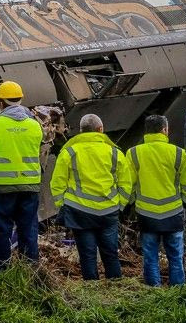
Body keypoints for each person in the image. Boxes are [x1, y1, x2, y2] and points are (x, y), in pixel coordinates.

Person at [50, 114, 133, 280]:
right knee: (110, 253)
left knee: (87, 255)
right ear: (100, 129)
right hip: (108, 211)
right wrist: (120, 204)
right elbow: (126, 183)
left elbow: (57, 183)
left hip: (79, 212)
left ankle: (91, 290)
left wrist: (63, 205)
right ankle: (115, 286)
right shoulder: (114, 152)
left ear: (81, 131)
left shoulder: (69, 152)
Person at [0, 81, 43, 272]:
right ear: (21, 100)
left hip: (3, 186)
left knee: (2, 231)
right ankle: (30, 271)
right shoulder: (35, 126)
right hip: (29, 185)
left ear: (1, 102)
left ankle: (2, 270)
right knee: (29, 230)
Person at [128, 115, 186, 287]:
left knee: (150, 256)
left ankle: (153, 291)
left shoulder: (134, 153)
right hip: (173, 213)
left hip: (146, 213)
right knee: (176, 256)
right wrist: (183, 202)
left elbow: (128, 184)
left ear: (146, 131)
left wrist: (133, 203)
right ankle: (178, 291)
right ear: (165, 130)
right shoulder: (178, 153)